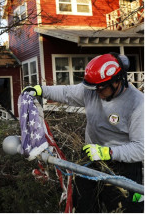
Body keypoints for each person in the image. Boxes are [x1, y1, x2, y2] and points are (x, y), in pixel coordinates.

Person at [22, 53, 144, 213]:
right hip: (90, 157)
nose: (96, 92)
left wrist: (109, 152)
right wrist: (40, 90)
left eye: (101, 88)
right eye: (94, 88)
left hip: (122, 166)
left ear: (117, 81)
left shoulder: (137, 104)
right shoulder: (93, 89)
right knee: (83, 205)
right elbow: (67, 93)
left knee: (120, 208)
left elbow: (141, 148)